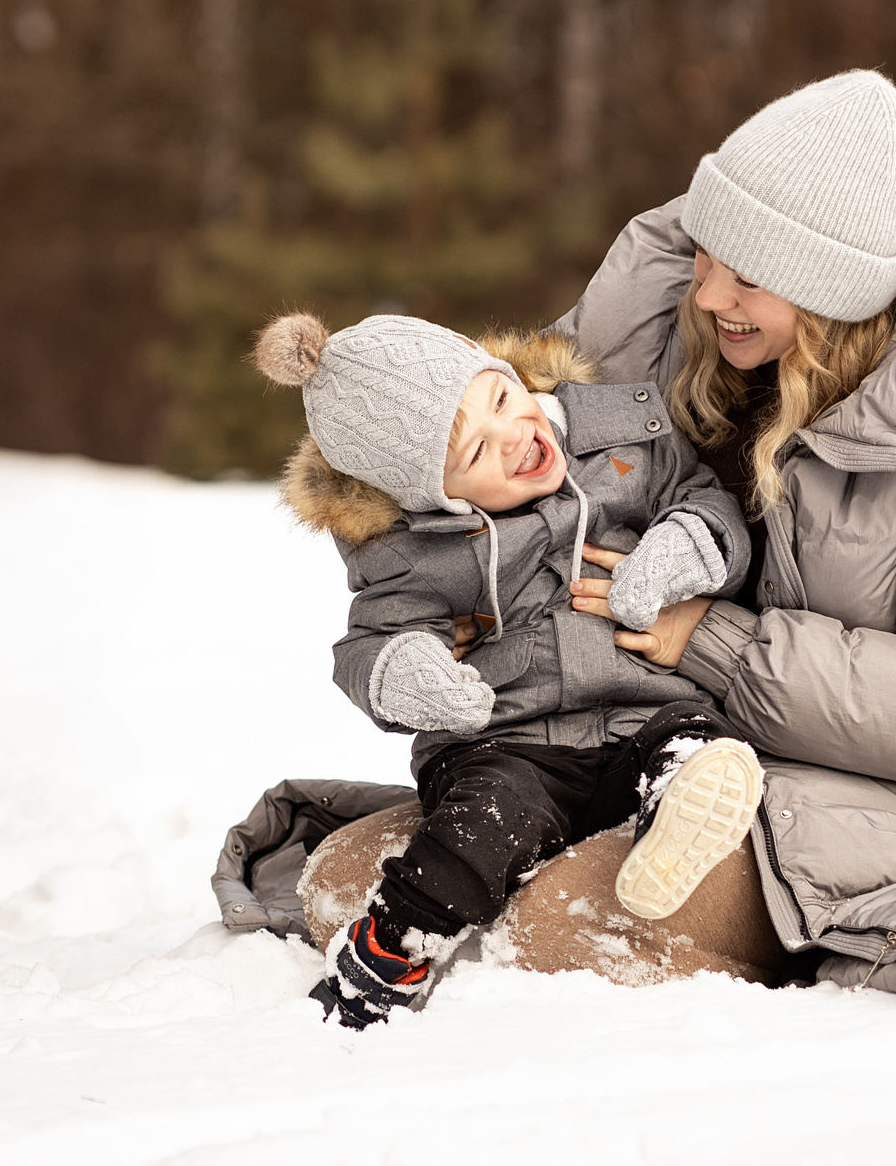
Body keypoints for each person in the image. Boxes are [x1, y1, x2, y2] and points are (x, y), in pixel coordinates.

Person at [285, 69, 896, 1002]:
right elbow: (444, 441)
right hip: (612, 744)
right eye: (706, 256)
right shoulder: (667, 333)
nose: (708, 295)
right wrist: (449, 601)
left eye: (747, 280)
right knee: (342, 883)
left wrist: (707, 639)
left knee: (561, 927)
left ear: (829, 295)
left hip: (885, 794)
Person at [251, 310, 763, 1027]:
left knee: (690, 735)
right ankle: (390, 948)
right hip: (510, 744)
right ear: (436, 497)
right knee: (480, 826)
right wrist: (410, 671)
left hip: (641, 710)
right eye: (477, 453)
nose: (515, 437)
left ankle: (680, 813)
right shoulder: (410, 552)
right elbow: (371, 641)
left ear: (493, 365)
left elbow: (704, 499)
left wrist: (683, 546)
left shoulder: (623, 441)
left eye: (499, 399)